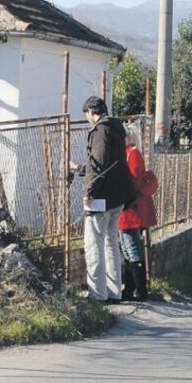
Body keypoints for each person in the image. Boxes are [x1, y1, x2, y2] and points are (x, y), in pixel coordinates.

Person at [71, 96, 136, 303]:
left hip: (101, 196)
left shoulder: (100, 131)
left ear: (91, 112)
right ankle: (114, 291)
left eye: (87, 115)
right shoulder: (117, 129)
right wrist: (80, 169)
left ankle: (98, 294)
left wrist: (89, 192)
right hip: (118, 196)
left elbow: (98, 164)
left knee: (94, 244)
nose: (88, 119)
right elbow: (106, 163)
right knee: (110, 243)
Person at [119, 124, 158, 300]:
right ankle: (131, 289)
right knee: (128, 249)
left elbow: (134, 180)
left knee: (131, 248)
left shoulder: (132, 153)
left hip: (131, 208)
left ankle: (140, 289)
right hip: (129, 207)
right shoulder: (128, 152)